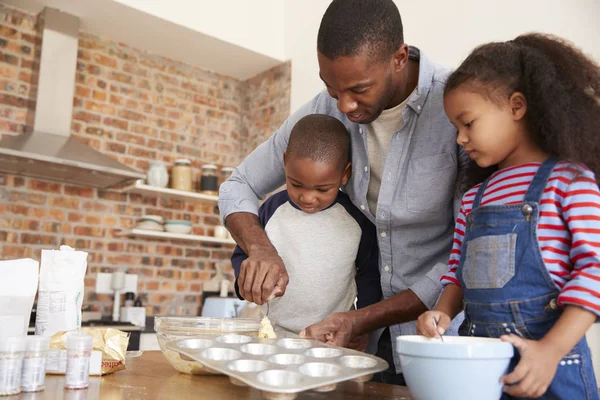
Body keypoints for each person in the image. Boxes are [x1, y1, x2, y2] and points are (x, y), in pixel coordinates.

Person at [219, 0, 468, 384]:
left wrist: (362, 316)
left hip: (437, 339)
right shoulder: (325, 109)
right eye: (331, 88)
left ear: (399, 58)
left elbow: (464, 251)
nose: (344, 105)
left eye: (359, 89)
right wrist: (260, 248)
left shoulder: (457, 107)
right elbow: (239, 185)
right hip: (356, 345)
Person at [416, 33, 600, 399]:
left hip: (552, 372)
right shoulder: (473, 198)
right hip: (484, 369)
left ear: (517, 107)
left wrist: (551, 350)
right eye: (456, 128)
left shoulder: (569, 182)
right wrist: (442, 312)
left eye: (468, 123)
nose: (460, 139)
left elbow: (595, 270)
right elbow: (457, 272)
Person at [230, 114, 381, 341]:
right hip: (273, 337)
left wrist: (363, 327)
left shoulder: (358, 221)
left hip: (331, 341)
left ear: (345, 174)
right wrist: (247, 283)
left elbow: (369, 276)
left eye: (322, 189)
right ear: (285, 162)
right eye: (296, 184)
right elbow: (245, 253)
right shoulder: (271, 209)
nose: (308, 197)